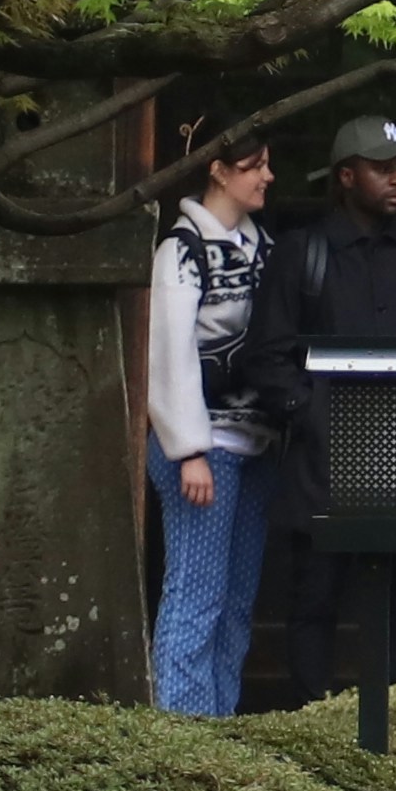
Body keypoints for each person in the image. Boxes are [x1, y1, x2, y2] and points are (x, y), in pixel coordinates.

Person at [246, 115, 396, 706]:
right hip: (320, 461)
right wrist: (309, 412)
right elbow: (267, 356)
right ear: (346, 176)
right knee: (315, 599)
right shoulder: (304, 254)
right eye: (382, 168)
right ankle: (311, 721)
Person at [140, 132, 279, 713]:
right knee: (195, 595)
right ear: (218, 171)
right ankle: (182, 734)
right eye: (255, 165)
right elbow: (167, 352)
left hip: (257, 440)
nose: (267, 176)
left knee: (236, 601)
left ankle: (223, 731)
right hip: (204, 446)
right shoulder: (183, 248)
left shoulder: (263, 245)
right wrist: (187, 448)